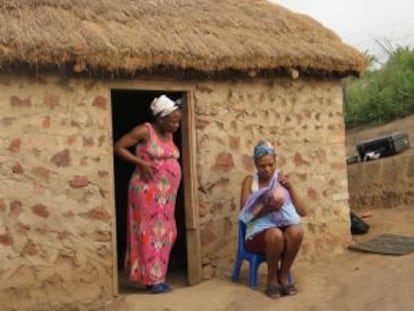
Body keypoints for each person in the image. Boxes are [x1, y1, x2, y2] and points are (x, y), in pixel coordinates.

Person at [114, 95, 182, 294]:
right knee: (150, 233)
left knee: (168, 232)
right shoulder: (145, 130)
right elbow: (118, 147)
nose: (176, 125)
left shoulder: (168, 133)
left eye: (178, 121)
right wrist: (141, 163)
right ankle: (154, 280)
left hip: (167, 197)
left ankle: (155, 276)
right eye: (173, 121)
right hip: (146, 191)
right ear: (160, 119)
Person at [239, 141, 307, 299]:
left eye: (271, 164)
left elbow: (303, 212)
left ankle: (283, 275)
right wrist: (267, 208)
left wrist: (291, 187)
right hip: (257, 235)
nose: (267, 169)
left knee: (296, 231)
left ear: (275, 161)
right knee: (275, 235)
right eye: (262, 166)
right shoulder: (250, 182)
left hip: (281, 230)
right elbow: (244, 216)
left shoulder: (282, 180)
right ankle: (271, 280)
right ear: (255, 164)